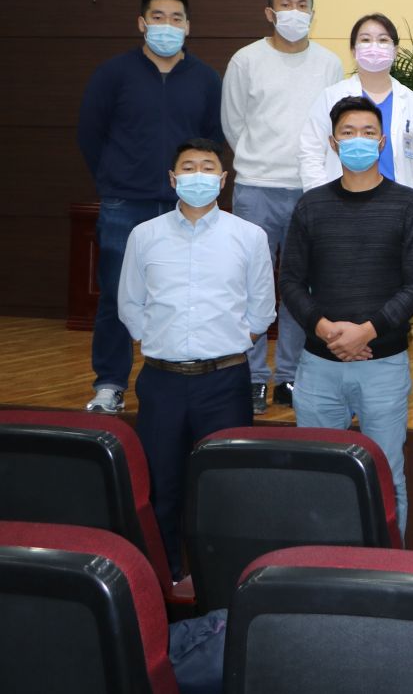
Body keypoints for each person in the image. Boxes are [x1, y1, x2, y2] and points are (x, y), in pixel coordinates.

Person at [117, 138, 274, 580]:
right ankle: (164, 579)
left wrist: (230, 341)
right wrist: (157, 340)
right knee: (160, 487)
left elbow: (262, 309)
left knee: (225, 486)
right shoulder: (144, 236)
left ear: (223, 181)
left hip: (224, 382)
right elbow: (130, 303)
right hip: (161, 381)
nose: (198, 175)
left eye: (208, 167)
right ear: (173, 179)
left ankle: (223, 583)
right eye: (188, 167)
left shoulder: (249, 236)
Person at [281, 96, 413, 533]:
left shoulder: (408, 205)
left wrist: (367, 331)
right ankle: (321, 564)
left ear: (382, 141)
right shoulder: (311, 206)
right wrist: (325, 329)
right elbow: (290, 280)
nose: (358, 140)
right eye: (348, 133)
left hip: (383, 364)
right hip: (318, 365)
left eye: (368, 132)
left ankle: (387, 565)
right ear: (333, 143)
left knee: (387, 476)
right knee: (318, 476)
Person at [77, 0, 224, 414]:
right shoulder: (113, 73)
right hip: (126, 203)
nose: (167, 25)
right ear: (142, 23)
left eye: (176, 18)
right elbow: (90, 134)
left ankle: (180, 380)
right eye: (158, 17)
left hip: (187, 204)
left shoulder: (205, 78)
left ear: (188, 26)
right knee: (116, 296)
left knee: (186, 293)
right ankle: (110, 383)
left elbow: (212, 139)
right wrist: (114, 178)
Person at [221, 0, 344, 412]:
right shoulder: (246, 60)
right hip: (256, 187)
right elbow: (233, 122)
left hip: (311, 189)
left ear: (312, 13)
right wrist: (259, 160)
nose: (295, 11)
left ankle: (290, 375)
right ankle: (254, 376)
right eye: (285, 4)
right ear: (270, 13)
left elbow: (332, 124)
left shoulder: (329, 64)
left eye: (302, 5)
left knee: (300, 287)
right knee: (251, 284)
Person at [299, 12, 413, 200]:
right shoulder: (331, 97)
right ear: (353, 50)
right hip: (340, 203)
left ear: (395, 50)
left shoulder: (412, 101)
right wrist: (321, 201)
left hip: (399, 205)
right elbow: (311, 153)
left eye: (383, 40)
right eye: (366, 40)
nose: (374, 46)